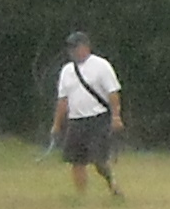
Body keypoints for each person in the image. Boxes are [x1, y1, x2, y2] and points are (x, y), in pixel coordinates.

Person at [49, 30, 125, 198]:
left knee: (99, 160)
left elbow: (113, 92)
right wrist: (56, 124)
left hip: (98, 118)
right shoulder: (67, 71)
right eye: (70, 48)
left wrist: (116, 116)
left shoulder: (101, 66)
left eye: (75, 47)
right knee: (76, 160)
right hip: (76, 120)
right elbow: (62, 100)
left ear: (85, 47)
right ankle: (81, 196)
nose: (72, 51)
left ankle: (112, 184)